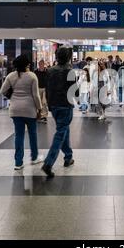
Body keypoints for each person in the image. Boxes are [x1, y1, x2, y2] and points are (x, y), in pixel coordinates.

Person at [0, 55, 43, 170]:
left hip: (15, 109)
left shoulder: (11, 76)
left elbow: (2, 91)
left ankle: (18, 162)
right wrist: (39, 109)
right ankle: (34, 158)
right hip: (30, 109)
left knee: (18, 135)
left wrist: (12, 95)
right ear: (26, 65)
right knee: (32, 134)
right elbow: (36, 95)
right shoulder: (32, 76)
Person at [41, 47, 76, 179]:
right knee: (60, 133)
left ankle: (68, 157)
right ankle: (48, 163)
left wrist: (49, 104)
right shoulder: (70, 71)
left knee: (63, 129)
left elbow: (47, 88)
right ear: (68, 57)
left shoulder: (49, 71)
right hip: (65, 105)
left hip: (54, 105)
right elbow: (75, 91)